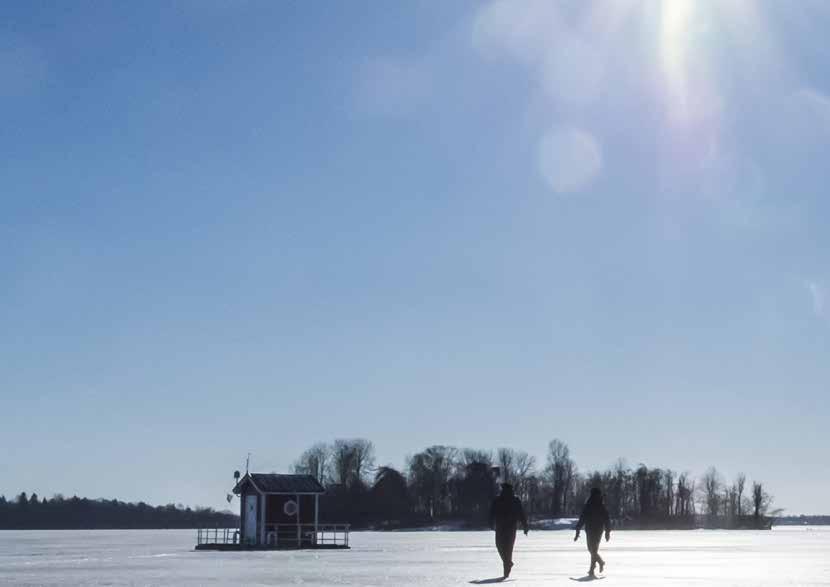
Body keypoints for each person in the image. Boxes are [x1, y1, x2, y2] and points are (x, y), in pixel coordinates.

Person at [489, 483, 529, 578]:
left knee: (504, 548)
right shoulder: (499, 499)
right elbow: (492, 513)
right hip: (505, 528)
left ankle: (507, 568)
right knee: (504, 548)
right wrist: (525, 526)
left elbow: (521, 513)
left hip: (507, 528)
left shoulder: (513, 500)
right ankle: (508, 564)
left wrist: (525, 526)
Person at [574, 487, 612, 578]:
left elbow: (607, 519)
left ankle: (592, 569)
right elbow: (582, 518)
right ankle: (600, 562)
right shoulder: (588, 505)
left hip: (598, 530)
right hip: (590, 529)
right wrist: (578, 529)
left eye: (597, 494)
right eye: (595, 494)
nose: (596, 496)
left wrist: (607, 532)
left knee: (593, 549)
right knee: (591, 549)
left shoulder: (601, 506)